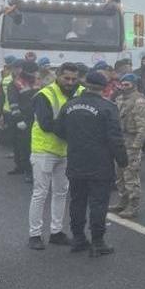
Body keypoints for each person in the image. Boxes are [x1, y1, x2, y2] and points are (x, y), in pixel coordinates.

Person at [56, 71, 126, 256]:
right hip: (100, 163)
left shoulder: (69, 105)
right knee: (98, 203)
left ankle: (78, 238)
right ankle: (98, 241)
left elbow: (59, 130)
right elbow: (115, 138)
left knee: (77, 201)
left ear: (85, 84)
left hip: (76, 160)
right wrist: (122, 160)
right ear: (104, 87)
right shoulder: (108, 107)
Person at [27, 62, 83, 250]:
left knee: (61, 192)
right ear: (57, 75)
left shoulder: (81, 92)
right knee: (40, 193)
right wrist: (75, 133)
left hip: (66, 150)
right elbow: (45, 124)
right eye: (66, 78)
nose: (70, 82)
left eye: (74, 79)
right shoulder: (44, 95)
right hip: (44, 150)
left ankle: (56, 232)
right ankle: (34, 234)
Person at [110, 73, 145, 219]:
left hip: (132, 139)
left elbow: (144, 125)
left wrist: (137, 145)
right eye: (123, 84)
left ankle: (133, 205)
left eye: (127, 84)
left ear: (134, 84)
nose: (124, 87)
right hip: (120, 140)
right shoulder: (119, 99)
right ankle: (123, 200)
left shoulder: (139, 101)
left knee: (131, 174)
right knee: (119, 173)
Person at [8, 60, 40, 182]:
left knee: (38, 147)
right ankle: (29, 171)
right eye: (32, 73)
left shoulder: (38, 81)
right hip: (25, 120)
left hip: (39, 117)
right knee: (26, 147)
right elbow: (13, 103)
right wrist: (19, 119)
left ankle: (37, 170)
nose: (34, 75)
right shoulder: (15, 84)